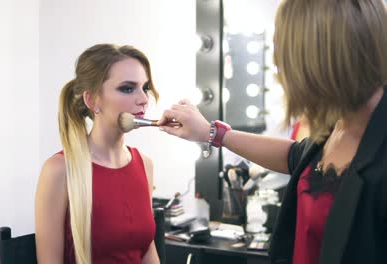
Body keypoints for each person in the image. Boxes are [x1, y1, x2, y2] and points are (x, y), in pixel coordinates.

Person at [159, 0, 387, 263]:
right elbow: (294, 156)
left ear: (319, 58)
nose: (279, 69)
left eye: (284, 57)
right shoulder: (339, 125)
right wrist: (212, 132)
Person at [35, 44, 160, 264]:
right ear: (92, 100)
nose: (143, 99)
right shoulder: (59, 171)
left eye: (145, 87)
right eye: (128, 88)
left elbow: (147, 251)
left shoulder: (145, 165)